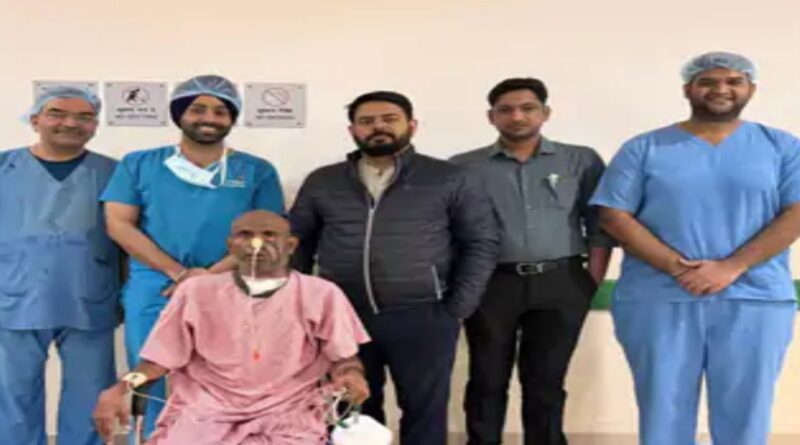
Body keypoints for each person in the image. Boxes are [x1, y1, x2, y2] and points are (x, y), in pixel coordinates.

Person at [590, 52, 800, 445]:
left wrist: (732, 267)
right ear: (688, 88)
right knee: (663, 408)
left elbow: (796, 213)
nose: (721, 89)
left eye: (734, 81)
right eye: (707, 81)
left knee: (746, 410)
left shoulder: (782, 147)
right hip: (659, 297)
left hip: (754, 297)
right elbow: (613, 215)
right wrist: (677, 268)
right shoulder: (644, 148)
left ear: (751, 89)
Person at [290, 91, 498, 445]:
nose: (378, 127)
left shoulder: (449, 177)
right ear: (352, 130)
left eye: (389, 119)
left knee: (424, 412)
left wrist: (457, 307)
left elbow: (481, 242)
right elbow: (298, 243)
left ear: (411, 125)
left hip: (423, 314)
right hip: (344, 317)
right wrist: (305, 305)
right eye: (367, 121)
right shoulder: (323, 181)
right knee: (351, 412)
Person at [100, 74, 285, 438]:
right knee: (148, 377)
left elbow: (268, 231)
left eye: (220, 111)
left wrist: (208, 277)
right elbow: (119, 224)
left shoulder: (256, 171)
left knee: (225, 378)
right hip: (156, 286)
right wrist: (179, 274)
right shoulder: (138, 164)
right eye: (198, 109)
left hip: (231, 284)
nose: (209, 118)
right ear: (179, 114)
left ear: (232, 119)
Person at [93, 210, 370, 445]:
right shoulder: (196, 292)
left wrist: (352, 376)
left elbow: (344, 359)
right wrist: (123, 387)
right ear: (231, 245)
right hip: (205, 416)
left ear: (291, 245)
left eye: (270, 235)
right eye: (245, 235)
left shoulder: (321, 294)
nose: (256, 243)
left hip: (288, 417)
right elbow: (157, 362)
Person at [451, 78, 613, 445]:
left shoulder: (580, 160)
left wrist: (590, 282)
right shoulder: (464, 167)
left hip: (562, 280)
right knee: (487, 378)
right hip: (492, 284)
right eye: (506, 110)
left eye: (527, 108)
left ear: (545, 112)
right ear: (491, 117)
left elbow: (599, 224)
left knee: (546, 380)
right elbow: (453, 230)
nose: (517, 116)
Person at [0, 86, 121, 445]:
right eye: (57, 113)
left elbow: (130, 234)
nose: (71, 123)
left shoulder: (114, 173)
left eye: (85, 117)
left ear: (95, 125)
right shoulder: (4, 167)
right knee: (12, 397)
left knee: (91, 396)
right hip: (13, 297)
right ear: (35, 120)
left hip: (89, 296)